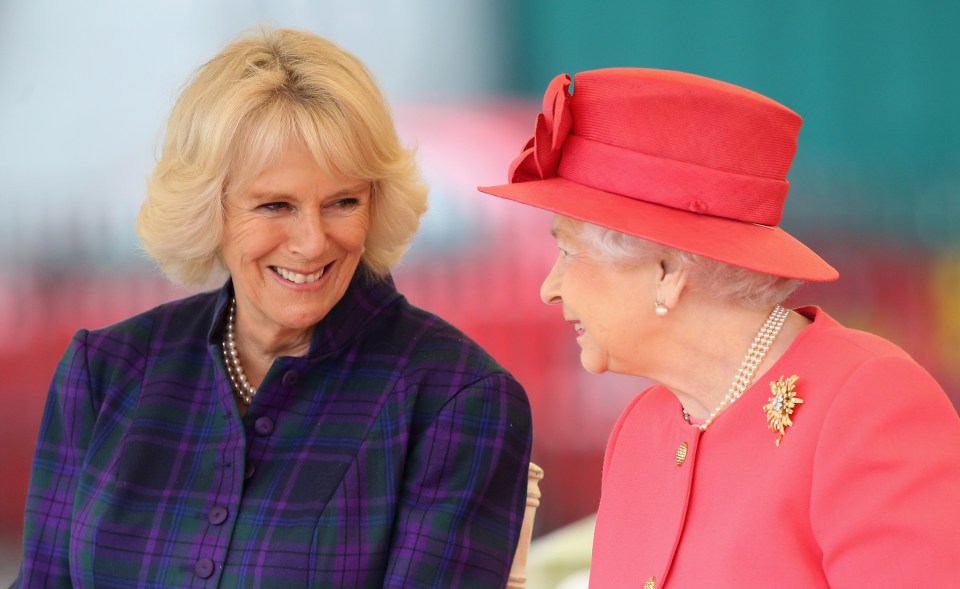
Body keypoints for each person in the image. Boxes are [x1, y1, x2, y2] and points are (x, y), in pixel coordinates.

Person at [14, 28, 532, 588]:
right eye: (275, 205)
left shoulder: (455, 400)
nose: (311, 242)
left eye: (342, 202)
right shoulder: (106, 370)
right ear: (210, 208)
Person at [478, 68, 960, 587]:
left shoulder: (869, 400)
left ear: (667, 272)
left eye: (569, 251)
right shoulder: (643, 427)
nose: (549, 288)